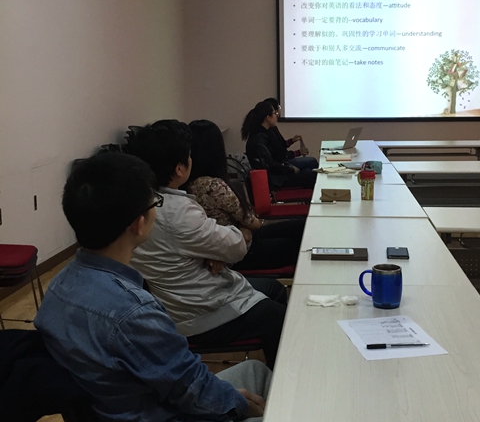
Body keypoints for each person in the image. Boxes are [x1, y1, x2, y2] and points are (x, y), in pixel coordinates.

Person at [34, 152, 271, 421]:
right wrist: (240, 404)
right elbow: (191, 390)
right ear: (139, 223)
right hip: (161, 413)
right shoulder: (134, 312)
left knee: (256, 371)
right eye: (155, 203)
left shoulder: (56, 288)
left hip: (117, 408)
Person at [126, 120, 286, 369]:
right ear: (180, 168)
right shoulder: (177, 210)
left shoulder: (137, 202)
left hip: (181, 297)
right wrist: (237, 234)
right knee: (280, 318)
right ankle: (284, 379)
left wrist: (212, 250)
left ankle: (276, 365)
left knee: (274, 290)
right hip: (202, 312)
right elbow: (235, 246)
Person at [186, 119, 305, 270]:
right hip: (242, 250)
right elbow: (253, 222)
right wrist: (245, 228)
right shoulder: (213, 186)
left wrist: (245, 227)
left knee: (300, 227)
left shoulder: (189, 184)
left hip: (239, 239)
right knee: (300, 244)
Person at [241, 101, 316, 189]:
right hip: (276, 180)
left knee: (308, 172)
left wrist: (289, 167)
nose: (276, 115)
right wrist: (291, 169)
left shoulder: (261, 133)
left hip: (277, 174)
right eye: (274, 113)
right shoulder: (260, 139)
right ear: (268, 118)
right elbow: (272, 165)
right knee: (311, 176)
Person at [263, 98, 319, 171]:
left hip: (283, 162)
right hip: (282, 164)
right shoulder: (267, 133)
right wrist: (298, 152)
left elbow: (281, 145)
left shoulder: (272, 128)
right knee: (312, 163)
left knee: (310, 166)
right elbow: (280, 155)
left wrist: (292, 141)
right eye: (278, 108)